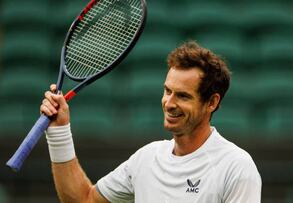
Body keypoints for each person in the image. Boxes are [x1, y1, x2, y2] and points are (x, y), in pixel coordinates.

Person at [41, 41, 262, 203]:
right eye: (167, 91)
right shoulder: (145, 159)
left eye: (183, 96)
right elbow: (83, 199)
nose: (169, 103)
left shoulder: (237, 167)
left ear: (212, 102)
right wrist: (59, 131)